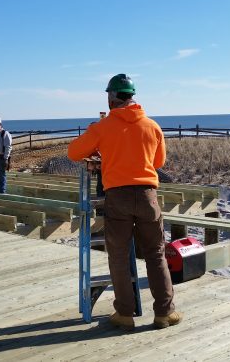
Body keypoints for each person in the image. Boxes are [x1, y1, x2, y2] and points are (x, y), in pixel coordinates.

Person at [68, 74, 181, 331]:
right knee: (155, 255)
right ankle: (164, 313)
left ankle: (124, 314)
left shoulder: (102, 127)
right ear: (132, 96)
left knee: (118, 256)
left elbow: (74, 153)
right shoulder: (152, 126)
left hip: (117, 197)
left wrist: (104, 148)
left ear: (112, 97)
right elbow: (158, 162)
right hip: (147, 195)